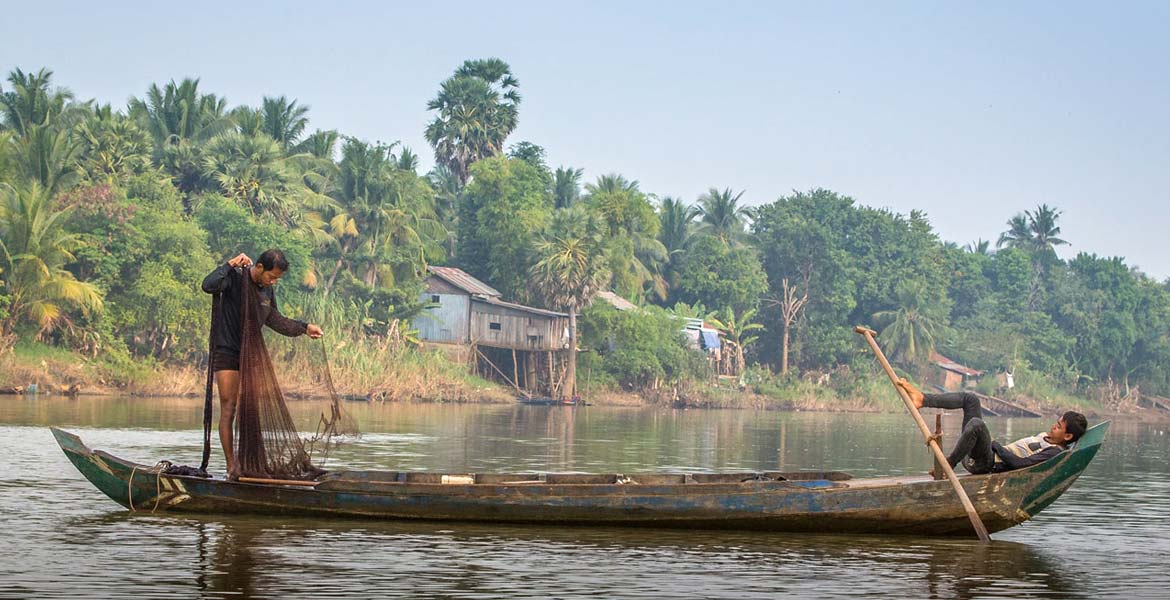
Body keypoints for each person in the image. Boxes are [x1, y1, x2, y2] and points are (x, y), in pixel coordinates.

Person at [202, 249, 323, 479]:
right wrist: (230, 264)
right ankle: (232, 466)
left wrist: (304, 327)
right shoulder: (235, 278)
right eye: (271, 276)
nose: (274, 282)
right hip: (227, 350)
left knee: (249, 408)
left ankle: (251, 464)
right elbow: (208, 285)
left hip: (249, 355)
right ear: (259, 268)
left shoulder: (267, 291)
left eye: (277, 278)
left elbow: (275, 319)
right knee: (229, 407)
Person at [895, 378, 1088, 474]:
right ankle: (922, 398)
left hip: (987, 464)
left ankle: (948, 466)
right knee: (971, 399)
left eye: (1059, 426)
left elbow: (1019, 464)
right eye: (1057, 422)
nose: (1054, 426)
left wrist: (996, 446)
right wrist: (993, 445)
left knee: (977, 424)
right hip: (983, 454)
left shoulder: (1054, 451)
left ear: (1068, 436)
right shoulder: (1045, 437)